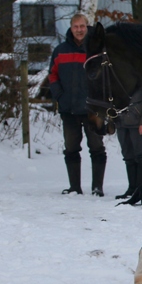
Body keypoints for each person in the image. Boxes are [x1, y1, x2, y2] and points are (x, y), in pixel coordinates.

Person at [48, 13, 106, 196]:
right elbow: (52, 76)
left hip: (93, 109)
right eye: (76, 27)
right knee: (71, 148)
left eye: (82, 26)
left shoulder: (95, 49)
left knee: (96, 148)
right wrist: (59, 96)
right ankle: (75, 187)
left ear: (87, 27)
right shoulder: (60, 51)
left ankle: (97, 187)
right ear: (71, 28)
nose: (79, 30)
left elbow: (106, 76)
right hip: (69, 109)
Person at [114, 86, 142, 200]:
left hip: (137, 123)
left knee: (141, 155)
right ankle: (132, 188)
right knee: (128, 155)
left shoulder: (140, 77)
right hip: (120, 122)